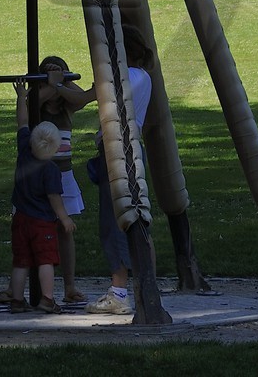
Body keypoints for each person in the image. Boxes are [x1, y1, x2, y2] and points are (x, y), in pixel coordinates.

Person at [87, 33, 156, 316]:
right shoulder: (144, 77)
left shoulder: (123, 75)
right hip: (132, 150)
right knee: (136, 216)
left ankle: (118, 292)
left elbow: (85, 98)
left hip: (116, 150)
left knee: (113, 221)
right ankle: (146, 286)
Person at [4, 83, 73, 315]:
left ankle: (16, 299)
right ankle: (47, 298)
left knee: (20, 261)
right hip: (42, 221)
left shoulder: (25, 150)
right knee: (45, 260)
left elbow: (22, 122)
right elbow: (54, 198)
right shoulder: (51, 169)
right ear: (55, 148)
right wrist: (64, 219)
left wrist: (22, 97)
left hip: (20, 218)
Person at [34, 55, 93, 303]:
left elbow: (87, 97)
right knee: (33, 228)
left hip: (63, 176)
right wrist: (49, 84)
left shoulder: (68, 106)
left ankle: (69, 285)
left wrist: (60, 83)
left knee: (65, 231)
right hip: (37, 178)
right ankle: (31, 285)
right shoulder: (35, 107)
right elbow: (30, 99)